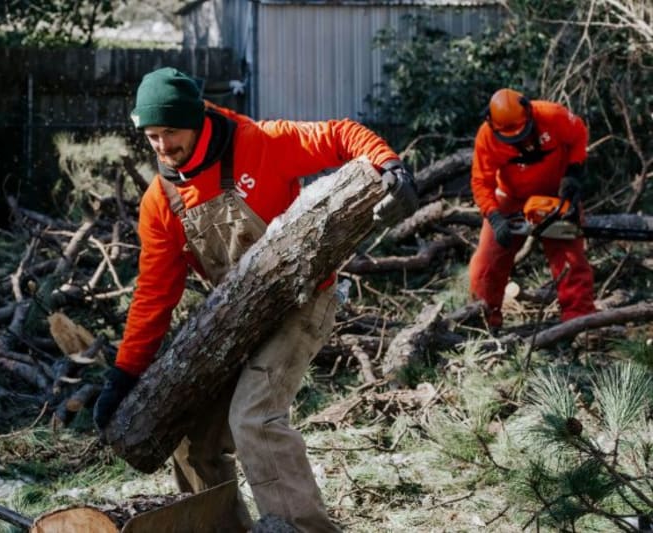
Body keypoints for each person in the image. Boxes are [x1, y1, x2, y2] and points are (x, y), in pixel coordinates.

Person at [92, 66, 418, 532]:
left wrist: (390, 167)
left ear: (197, 119)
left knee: (253, 417)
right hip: (234, 315)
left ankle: (301, 529)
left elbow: (340, 135)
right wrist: (123, 374)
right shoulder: (161, 201)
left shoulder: (259, 143)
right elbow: (153, 294)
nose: (162, 146)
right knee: (193, 436)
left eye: (171, 132)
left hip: (303, 299)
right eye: (152, 136)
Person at [469, 88, 596, 328]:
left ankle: (580, 322)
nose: (519, 140)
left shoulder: (552, 115)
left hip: (554, 195)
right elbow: (480, 181)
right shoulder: (487, 136)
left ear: (528, 113)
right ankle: (483, 324)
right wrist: (494, 216)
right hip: (511, 196)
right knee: (487, 262)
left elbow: (579, 135)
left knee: (570, 257)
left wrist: (573, 175)